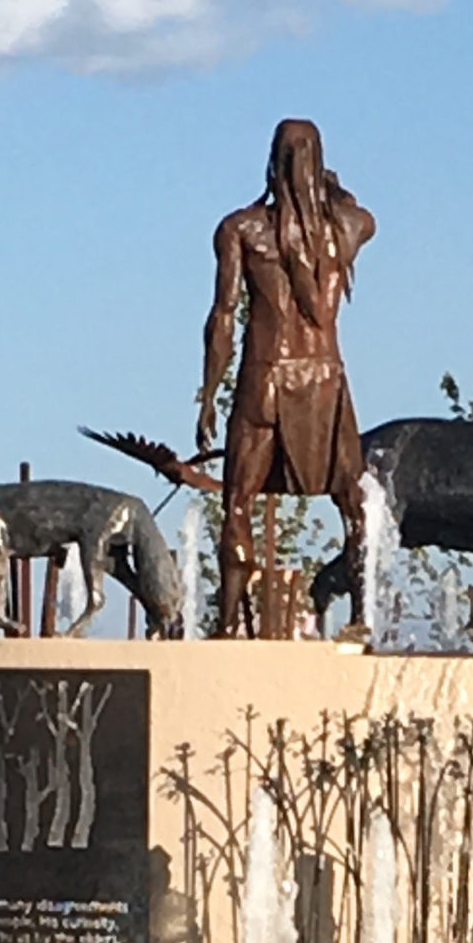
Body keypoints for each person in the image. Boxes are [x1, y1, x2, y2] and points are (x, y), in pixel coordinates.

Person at [195, 119, 376, 638]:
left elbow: (223, 316)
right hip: (325, 379)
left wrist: (209, 394)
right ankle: (361, 616)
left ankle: (229, 624)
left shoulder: (241, 229)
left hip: (265, 377)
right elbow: (366, 216)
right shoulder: (345, 229)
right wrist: (333, 189)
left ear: (272, 162)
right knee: (354, 503)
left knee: (237, 500)